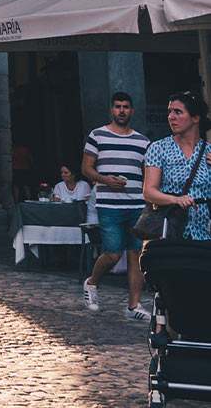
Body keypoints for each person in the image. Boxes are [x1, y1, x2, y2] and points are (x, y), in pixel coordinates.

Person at [81, 91, 151, 319]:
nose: (122, 111)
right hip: (108, 205)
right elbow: (86, 168)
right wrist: (105, 179)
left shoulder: (143, 141)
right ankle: (92, 283)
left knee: (136, 254)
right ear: (112, 109)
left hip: (137, 206)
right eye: (118, 106)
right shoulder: (97, 135)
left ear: (132, 110)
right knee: (112, 254)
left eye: (126, 107)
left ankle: (133, 306)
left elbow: (146, 175)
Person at [143, 91, 211, 241]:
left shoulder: (208, 151)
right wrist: (175, 200)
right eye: (169, 112)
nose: (171, 117)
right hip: (170, 233)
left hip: (204, 234)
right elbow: (149, 191)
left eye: (178, 112)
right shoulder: (158, 148)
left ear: (195, 118)